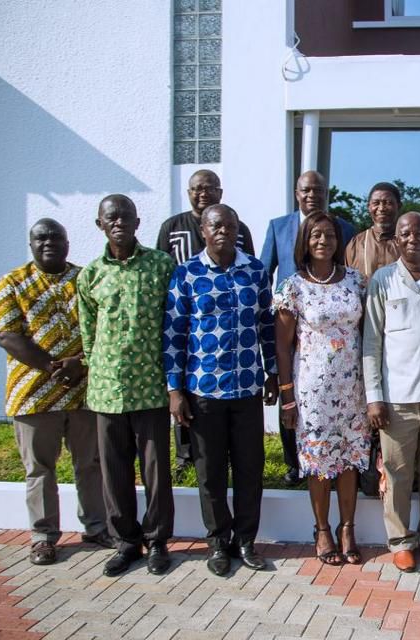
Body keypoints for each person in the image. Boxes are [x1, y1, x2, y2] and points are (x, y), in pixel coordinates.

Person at [0, 219, 111, 566]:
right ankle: (43, 536)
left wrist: (81, 363)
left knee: (90, 464)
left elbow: (105, 327)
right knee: (39, 468)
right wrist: (54, 366)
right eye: (41, 237)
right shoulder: (13, 282)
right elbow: (6, 335)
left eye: (56, 236)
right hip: (33, 394)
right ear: (31, 244)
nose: (49, 242)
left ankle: (97, 527)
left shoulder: (86, 278)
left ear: (68, 242)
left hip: (84, 391)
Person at [164, 204, 278, 576]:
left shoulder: (256, 272)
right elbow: (174, 335)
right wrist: (175, 389)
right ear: (203, 230)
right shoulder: (187, 274)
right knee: (210, 473)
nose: (223, 231)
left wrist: (273, 373)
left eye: (230, 225)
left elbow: (266, 326)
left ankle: (246, 541)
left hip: (246, 389)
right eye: (216, 225)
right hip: (204, 391)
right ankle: (218, 543)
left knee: (250, 470)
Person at [78, 194, 176, 576]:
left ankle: (157, 541)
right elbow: (88, 333)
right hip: (106, 389)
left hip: (150, 387)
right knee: (114, 471)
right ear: (100, 224)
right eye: (111, 217)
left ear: (138, 223)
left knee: (156, 471)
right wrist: (98, 368)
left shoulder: (161, 266)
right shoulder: (90, 275)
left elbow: (173, 324)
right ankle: (125, 542)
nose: (119, 222)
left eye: (126, 217)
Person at [274, 213, 370, 567]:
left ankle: (347, 528)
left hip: (353, 389)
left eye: (329, 235)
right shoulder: (293, 287)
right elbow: (283, 347)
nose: (323, 241)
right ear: (305, 241)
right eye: (315, 235)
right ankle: (322, 529)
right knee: (318, 463)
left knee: (348, 460)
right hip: (312, 392)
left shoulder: (357, 282)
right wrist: (286, 396)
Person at [364, 212, 420, 573]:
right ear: (397, 241)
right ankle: (401, 540)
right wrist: (374, 396)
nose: (413, 237)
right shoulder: (383, 281)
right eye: (405, 233)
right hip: (396, 398)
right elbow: (371, 343)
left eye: (419, 231)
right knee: (398, 471)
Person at [156, 169, 255, 481]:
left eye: (209, 188)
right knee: (187, 396)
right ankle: (186, 456)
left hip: (235, 344)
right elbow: (162, 271)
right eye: (197, 188)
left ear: (220, 192)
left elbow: (248, 275)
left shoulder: (239, 229)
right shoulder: (173, 228)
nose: (203, 193)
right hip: (188, 319)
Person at [261, 170, 355, 486]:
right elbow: (265, 273)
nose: (312, 194)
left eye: (318, 189)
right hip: (294, 327)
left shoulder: (343, 228)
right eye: (306, 189)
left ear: (326, 193)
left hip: (338, 345)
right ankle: (293, 464)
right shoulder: (278, 227)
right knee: (294, 408)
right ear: (296, 193)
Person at [345, 182, 402, 280]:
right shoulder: (356, 244)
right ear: (369, 207)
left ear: (399, 206)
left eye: (388, 203)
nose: (382, 208)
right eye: (376, 203)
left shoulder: (408, 242)